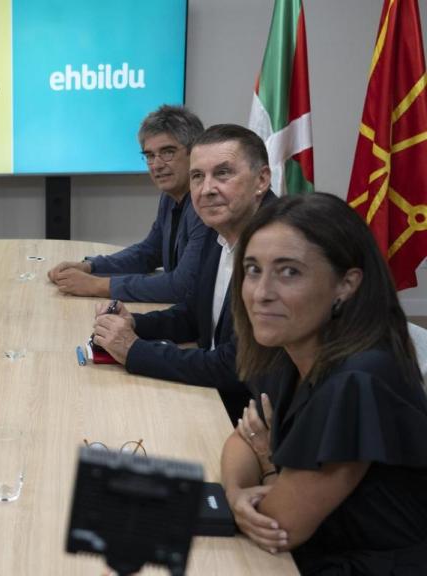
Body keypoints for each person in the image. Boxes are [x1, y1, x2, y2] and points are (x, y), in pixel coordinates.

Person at [221, 193, 427, 573]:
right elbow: (243, 439)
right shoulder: (292, 348)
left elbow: (280, 526)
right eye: (252, 269)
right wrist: (235, 495)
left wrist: (268, 468)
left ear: (346, 284)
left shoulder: (359, 379)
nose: (261, 293)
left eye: (289, 272)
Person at [92, 124, 276, 422]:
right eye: (197, 176)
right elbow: (194, 315)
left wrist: (135, 351)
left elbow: (235, 366)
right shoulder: (220, 229)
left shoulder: (276, 248)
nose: (207, 189)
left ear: (262, 180)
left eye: (223, 173)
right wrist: (135, 323)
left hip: (250, 418)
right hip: (215, 397)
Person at [48, 105, 211, 303]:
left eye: (167, 152)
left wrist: (97, 285)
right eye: (149, 156)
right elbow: (148, 253)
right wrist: (89, 267)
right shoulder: (170, 197)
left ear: (194, 153)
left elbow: (182, 286)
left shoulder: (208, 205)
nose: (157, 165)